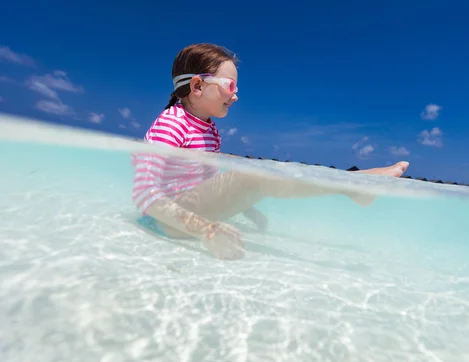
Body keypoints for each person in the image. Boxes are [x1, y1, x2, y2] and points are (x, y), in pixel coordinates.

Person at [131, 43, 409, 259]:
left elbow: (204, 183)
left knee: (252, 172)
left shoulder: (210, 131)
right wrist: (206, 229)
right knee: (250, 173)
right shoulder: (170, 125)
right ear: (197, 86)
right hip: (165, 222)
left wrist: (247, 206)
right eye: (229, 86)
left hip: (188, 213)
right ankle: (354, 185)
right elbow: (145, 194)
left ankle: (353, 183)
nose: (236, 95)